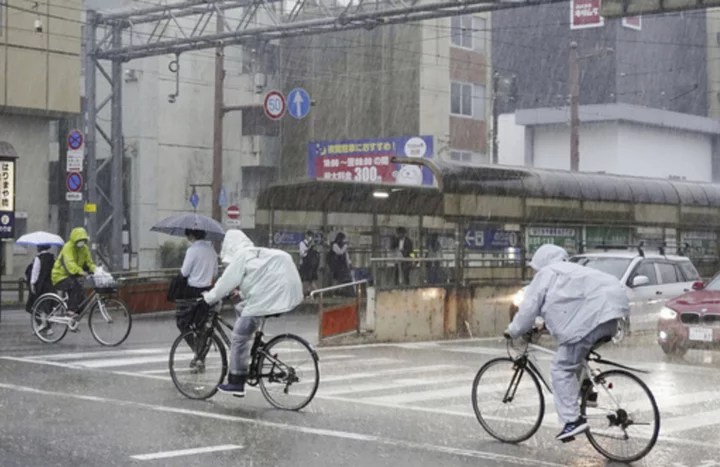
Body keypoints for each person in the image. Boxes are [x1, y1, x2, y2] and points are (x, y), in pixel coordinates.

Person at [504, 244, 629, 442]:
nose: (536, 271)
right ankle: (588, 391)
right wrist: (542, 325)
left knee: (561, 368)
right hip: (611, 318)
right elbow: (567, 304)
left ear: (543, 262)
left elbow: (529, 308)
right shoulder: (574, 271)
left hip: (590, 320)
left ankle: (572, 421)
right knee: (576, 355)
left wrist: (512, 331)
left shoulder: (547, 274)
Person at [202, 229, 303, 396]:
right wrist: (241, 294)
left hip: (267, 299)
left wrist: (208, 298)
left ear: (230, 246)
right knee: (241, 308)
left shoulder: (242, 256)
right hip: (281, 292)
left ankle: (236, 382)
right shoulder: (254, 254)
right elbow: (259, 279)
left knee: (239, 336)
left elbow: (225, 282)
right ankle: (257, 351)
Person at [176, 229, 218, 368]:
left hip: (193, 292)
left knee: (182, 322)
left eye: (188, 235)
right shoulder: (212, 251)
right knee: (202, 325)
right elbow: (215, 273)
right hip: (208, 291)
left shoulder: (192, 250)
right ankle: (200, 355)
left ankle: (197, 352)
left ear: (192, 235)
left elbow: (184, 272)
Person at [51, 227, 96, 318]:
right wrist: (81, 272)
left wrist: (96, 270)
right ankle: (70, 310)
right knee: (74, 286)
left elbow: (89, 262)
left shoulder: (84, 249)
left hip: (71, 276)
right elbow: (70, 263)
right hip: (59, 276)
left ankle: (74, 318)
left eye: (83, 240)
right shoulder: (68, 247)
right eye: (79, 240)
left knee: (82, 295)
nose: (81, 242)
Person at [25, 245, 56, 330]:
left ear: (39, 248)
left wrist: (32, 284)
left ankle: (42, 324)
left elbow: (35, 272)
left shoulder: (38, 258)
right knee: (48, 306)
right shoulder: (52, 257)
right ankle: (48, 327)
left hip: (41, 285)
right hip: (50, 285)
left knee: (37, 305)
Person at [298, 231, 319, 296]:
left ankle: (308, 292)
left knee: (310, 279)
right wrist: (309, 247)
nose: (310, 237)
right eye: (309, 236)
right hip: (304, 264)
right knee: (304, 279)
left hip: (311, 265)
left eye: (311, 236)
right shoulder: (302, 243)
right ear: (306, 235)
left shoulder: (313, 244)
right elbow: (302, 254)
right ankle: (308, 292)